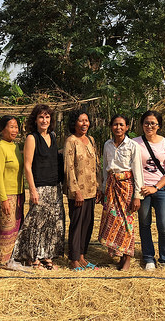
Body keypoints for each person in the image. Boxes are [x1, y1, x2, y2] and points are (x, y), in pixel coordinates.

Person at [12, 104, 65, 270]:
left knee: (53, 222)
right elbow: (27, 166)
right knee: (36, 223)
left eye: (47, 117)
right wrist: (33, 190)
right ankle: (33, 258)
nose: (44, 120)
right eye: (41, 117)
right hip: (39, 187)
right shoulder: (31, 138)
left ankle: (47, 256)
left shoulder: (53, 136)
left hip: (54, 187)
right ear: (35, 120)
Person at [98, 114, 143, 271]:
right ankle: (118, 253)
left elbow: (137, 171)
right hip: (111, 187)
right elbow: (105, 169)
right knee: (113, 220)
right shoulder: (107, 145)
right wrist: (103, 189)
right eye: (115, 124)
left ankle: (127, 257)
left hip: (126, 187)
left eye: (121, 125)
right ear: (111, 126)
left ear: (127, 127)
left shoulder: (132, 146)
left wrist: (137, 195)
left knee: (126, 221)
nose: (118, 127)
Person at [133, 110, 165, 271]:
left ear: (159, 126)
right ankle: (148, 258)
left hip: (161, 189)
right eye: (146, 123)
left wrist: (156, 187)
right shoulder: (135, 143)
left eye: (153, 123)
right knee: (144, 224)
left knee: (164, 227)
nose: (149, 126)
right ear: (141, 125)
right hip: (142, 190)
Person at [63, 110, 101, 271]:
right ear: (74, 123)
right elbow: (69, 168)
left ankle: (82, 257)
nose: (84, 124)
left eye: (86, 120)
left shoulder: (91, 140)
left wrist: (99, 186)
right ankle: (73, 259)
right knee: (77, 224)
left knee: (88, 224)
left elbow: (96, 165)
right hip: (78, 193)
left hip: (92, 191)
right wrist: (75, 190)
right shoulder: (71, 141)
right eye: (80, 121)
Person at [0, 115, 24, 265]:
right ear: (2, 129)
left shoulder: (16, 146)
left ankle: (12, 258)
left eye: (16, 127)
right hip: (6, 195)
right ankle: (2, 260)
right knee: (6, 229)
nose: (15, 130)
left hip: (18, 194)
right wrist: (3, 199)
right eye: (11, 127)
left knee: (16, 229)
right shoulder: (0, 148)